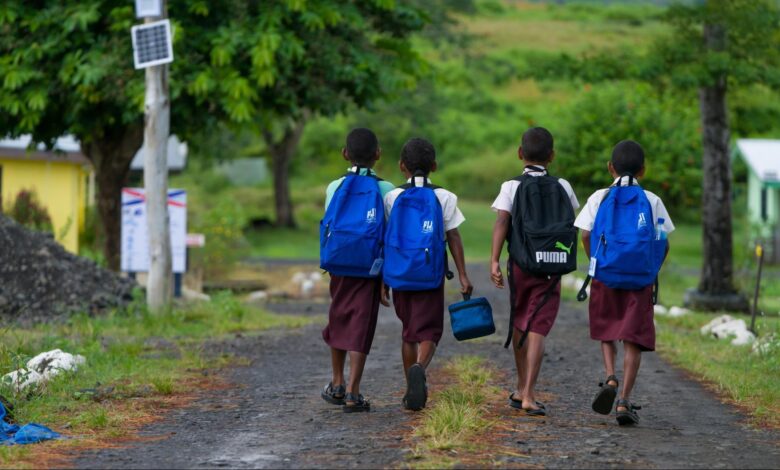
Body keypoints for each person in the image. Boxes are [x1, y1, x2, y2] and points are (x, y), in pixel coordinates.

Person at [574, 139, 673, 425]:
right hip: (639, 279)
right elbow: (663, 240)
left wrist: (597, 260)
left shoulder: (599, 197)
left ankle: (610, 377)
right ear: (643, 170)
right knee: (633, 339)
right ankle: (624, 401)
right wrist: (651, 268)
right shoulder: (652, 200)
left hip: (606, 274)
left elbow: (584, 234)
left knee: (607, 328)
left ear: (610, 168)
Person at [490, 127, 579, 416]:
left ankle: (520, 388)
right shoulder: (563, 186)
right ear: (552, 156)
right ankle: (529, 393)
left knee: (520, 320)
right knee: (538, 325)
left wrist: (494, 260)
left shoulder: (511, 186)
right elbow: (570, 220)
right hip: (551, 266)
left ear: (520, 153)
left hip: (520, 263)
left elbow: (502, 221)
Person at [382, 137, 473, 411]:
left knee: (408, 332)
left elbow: (385, 239)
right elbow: (454, 237)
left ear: (402, 166)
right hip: (430, 274)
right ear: (434, 165)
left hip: (400, 273)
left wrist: (383, 279)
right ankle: (420, 368)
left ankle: (410, 388)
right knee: (429, 331)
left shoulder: (392, 197)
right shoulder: (444, 197)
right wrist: (463, 275)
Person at [321, 128, 394, 413]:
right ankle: (353, 391)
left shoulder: (334, 186)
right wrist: (386, 276)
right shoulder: (386, 190)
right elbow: (389, 234)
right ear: (378, 154)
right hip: (369, 268)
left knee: (338, 315)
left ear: (345, 154)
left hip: (339, 264)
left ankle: (337, 382)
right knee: (361, 323)